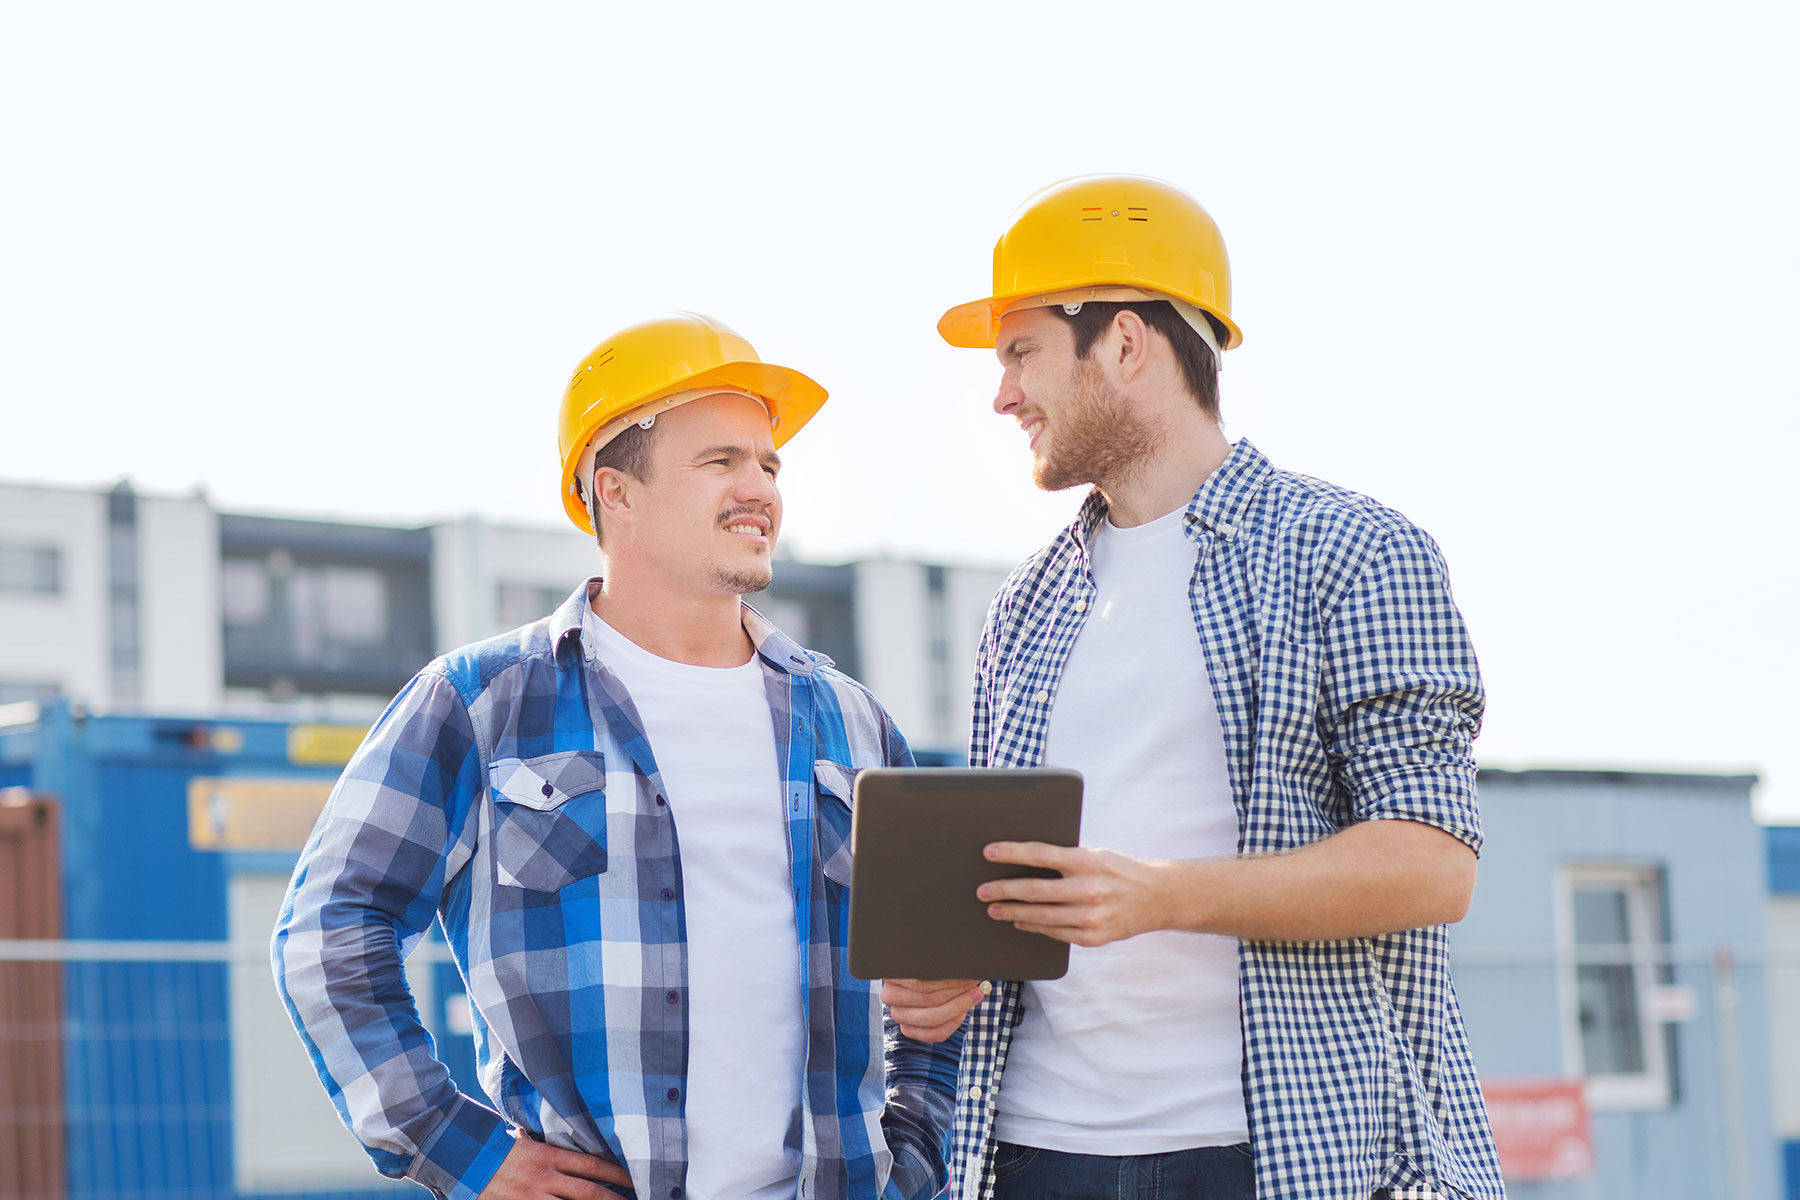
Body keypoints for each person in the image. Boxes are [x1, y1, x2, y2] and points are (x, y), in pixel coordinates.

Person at [889, 176, 1505, 1200]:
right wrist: (954, 970)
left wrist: (1163, 898)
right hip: (1040, 1154)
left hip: (1279, 1154)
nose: (1002, 394)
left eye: (1021, 352)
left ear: (1125, 344)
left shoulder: (1351, 553)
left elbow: (1431, 865)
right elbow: (1030, 896)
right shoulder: (1024, 608)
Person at [273, 312, 960, 1200]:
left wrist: (913, 1149)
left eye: (769, 463)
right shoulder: (483, 704)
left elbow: (941, 982)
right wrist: (459, 1149)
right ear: (616, 492)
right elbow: (329, 931)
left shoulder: (854, 725)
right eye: (721, 461)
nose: (760, 487)